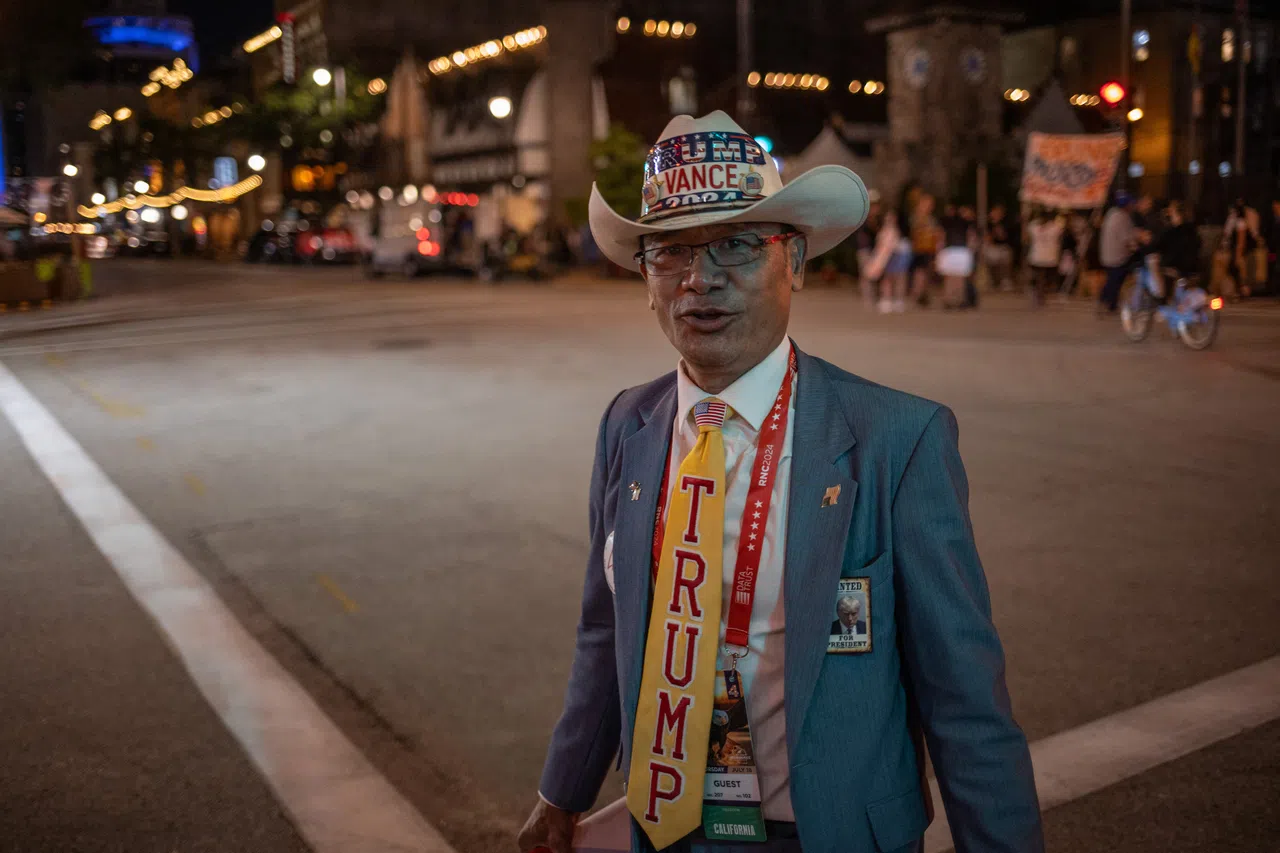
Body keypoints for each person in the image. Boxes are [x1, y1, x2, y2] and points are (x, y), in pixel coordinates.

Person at [519, 110, 1042, 853]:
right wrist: (562, 791)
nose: (701, 280)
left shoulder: (896, 439)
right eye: (671, 253)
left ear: (793, 261)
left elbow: (966, 701)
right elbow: (605, 629)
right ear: (645, 276)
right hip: (670, 831)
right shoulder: (628, 428)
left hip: (832, 834)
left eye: (736, 245)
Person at [863, 206, 911, 313]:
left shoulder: (898, 230)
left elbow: (895, 244)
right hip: (884, 257)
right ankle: (886, 300)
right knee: (887, 279)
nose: (889, 218)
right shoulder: (883, 229)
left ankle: (898, 300)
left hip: (895, 256)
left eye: (892, 216)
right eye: (888, 216)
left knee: (898, 278)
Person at [1097, 192, 1138, 314]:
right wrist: (1134, 247)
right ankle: (1109, 303)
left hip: (1108, 254)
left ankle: (1106, 300)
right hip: (1117, 256)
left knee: (1113, 279)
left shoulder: (1112, 214)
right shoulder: (1122, 217)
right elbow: (1126, 238)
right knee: (1115, 280)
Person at [935, 203, 975, 309]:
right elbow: (970, 236)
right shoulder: (965, 222)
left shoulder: (945, 222)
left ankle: (949, 299)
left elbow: (941, 237)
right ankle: (959, 299)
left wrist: (939, 250)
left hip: (950, 249)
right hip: (962, 250)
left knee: (950, 277)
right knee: (959, 277)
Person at [1026, 209, 1063, 306]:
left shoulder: (1033, 225)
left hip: (1038, 255)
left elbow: (1028, 237)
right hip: (1049, 257)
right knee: (1045, 276)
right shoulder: (1055, 226)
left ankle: (1039, 293)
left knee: (1040, 276)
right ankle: (1040, 294)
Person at [908, 193, 940, 307]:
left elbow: (935, 231)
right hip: (919, 248)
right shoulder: (917, 216)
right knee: (919, 272)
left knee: (927, 272)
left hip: (930, 248)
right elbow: (914, 229)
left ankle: (923, 295)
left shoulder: (931, 217)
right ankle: (916, 295)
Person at [984, 204, 1015, 292]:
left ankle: (1005, 281)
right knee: (990, 261)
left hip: (1004, 247)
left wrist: (999, 230)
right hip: (993, 247)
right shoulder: (988, 224)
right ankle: (993, 282)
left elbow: (1005, 237)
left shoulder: (1006, 223)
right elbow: (987, 238)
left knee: (1005, 260)